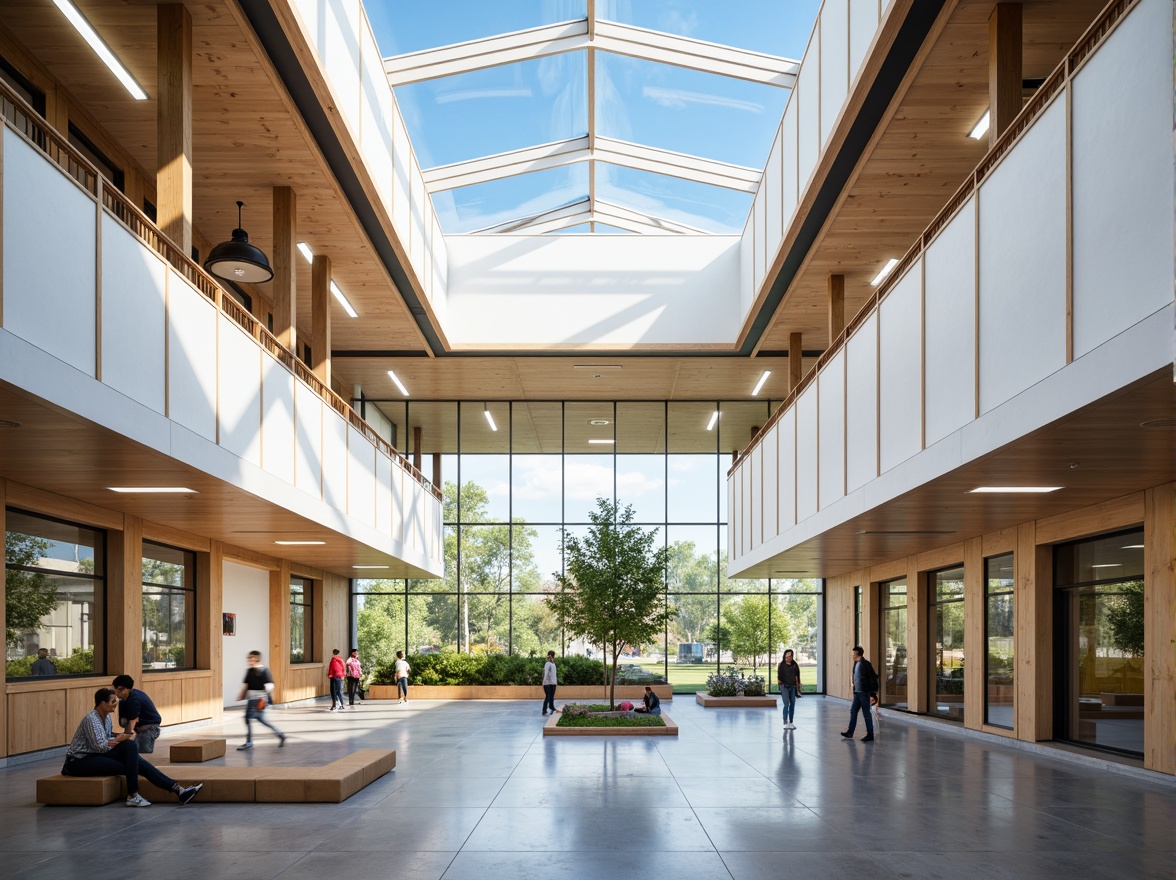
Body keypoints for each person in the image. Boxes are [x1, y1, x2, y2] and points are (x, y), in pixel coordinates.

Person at [62, 687, 202, 807]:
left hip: (97, 754)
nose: (116, 704)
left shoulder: (106, 718)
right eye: (112, 701)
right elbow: (99, 746)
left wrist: (122, 738)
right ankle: (134, 796)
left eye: (116, 701)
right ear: (102, 703)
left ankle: (179, 790)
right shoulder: (91, 719)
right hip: (79, 761)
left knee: (130, 748)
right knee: (132, 765)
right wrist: (119, 739)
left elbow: (107, 739)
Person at [237, 650, 285, 749]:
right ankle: (280, 735)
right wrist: (241, 695)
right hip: (252, 699)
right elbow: (246, 685)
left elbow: (270, 685)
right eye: (248, 658)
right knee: (259, 719)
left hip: (259, 700)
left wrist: (265, 698)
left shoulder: (264, 670)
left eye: (251, 658)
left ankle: (249, 742)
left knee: (249, 719)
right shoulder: (249, 671)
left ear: (256, 658)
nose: (249, 660)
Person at [112, 674, 163, 754]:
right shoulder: (125, 700)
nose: (117, 693)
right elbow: (127, 721)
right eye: (115, 690)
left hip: (149, 726)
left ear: (126, 689)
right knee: (132, 748)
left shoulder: (134, 699)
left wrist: (126, 735)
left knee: (142, 750)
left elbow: (133, 720)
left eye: (119, 691)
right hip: (140, 727)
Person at [841, 645, 878, 742]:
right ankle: (850, 732)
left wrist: (872, 693)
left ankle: (870, 734)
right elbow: (854, 675)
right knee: (853, 711)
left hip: (864, 693)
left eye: (853, 654)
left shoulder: (866, 664)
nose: (852, 655)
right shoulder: (856, 664)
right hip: (857, 693)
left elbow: (872, 678)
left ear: (856, 654)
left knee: (866, 713)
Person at [777, 649, 802, 731]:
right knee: (786, 703)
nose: (788, 658)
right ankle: (785, 722)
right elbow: (780, 677)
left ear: (792, 656)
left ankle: (791, 722)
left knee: (793, 703)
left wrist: (798, 686)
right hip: (784, 686)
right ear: (784, 656)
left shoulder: (795, 665)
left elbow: (797, 676)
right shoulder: (781, 665)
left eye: (790, 656)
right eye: (786, 656)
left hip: (793, 686)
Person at [541, 650, 558, 716]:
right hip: (547, 683)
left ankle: (552, 707)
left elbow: (554, 674)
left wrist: (555, 682)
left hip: (553, 683)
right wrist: (544, 682)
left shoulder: (553, 664)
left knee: (552, 696)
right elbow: (546, 673)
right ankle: (544, 710)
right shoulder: (547, 664)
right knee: (548, 696)